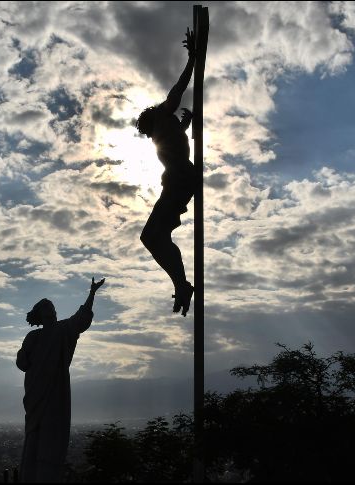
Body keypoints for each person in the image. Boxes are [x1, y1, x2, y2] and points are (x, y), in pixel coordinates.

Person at [16, 277, 106, 482]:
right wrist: (25, 355)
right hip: (35, 395)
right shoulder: (33, 337)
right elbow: (22, 363)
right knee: (34, 440)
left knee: (51, 440)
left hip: (55, 393)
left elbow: (81, 319)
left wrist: (92, 294)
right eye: (48, 307)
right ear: (41, 314)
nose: (53, 310)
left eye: (53, 307)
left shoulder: (63, 330)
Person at [136, 28, 197, 316]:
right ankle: (181, 283)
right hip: (177, 180)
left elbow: (180, 86)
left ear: (152, 119)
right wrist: (184, 127)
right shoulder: (168, 128)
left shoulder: (162, 114)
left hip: (179, 180)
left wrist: (192, 58)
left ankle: (182, 284)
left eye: (147, 131)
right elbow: (175, 145)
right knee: (155, 237)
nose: (149, 138)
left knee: (150, 237)